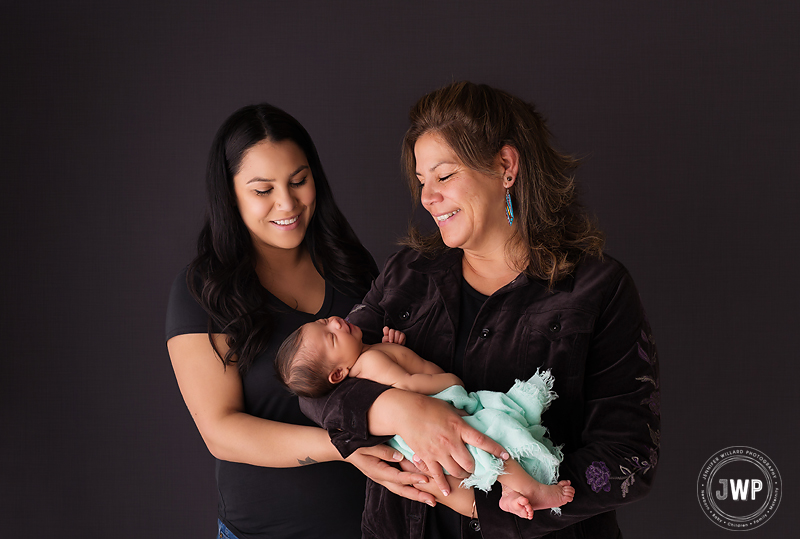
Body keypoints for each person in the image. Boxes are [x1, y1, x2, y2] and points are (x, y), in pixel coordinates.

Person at [300, 81, 660, 539]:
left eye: (444, 175)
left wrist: (479, 501)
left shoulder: (598, 290)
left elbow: (629, 459)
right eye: (422, 180)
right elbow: (312, 383)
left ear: (505, 167)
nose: (427, 197)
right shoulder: (407, 275)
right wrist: (397, 410)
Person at [165, 103, 436, 539]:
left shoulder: (348, 265)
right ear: (230, 193)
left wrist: (395, 351)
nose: (287, 203)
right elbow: (221, 431)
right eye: (262, 190)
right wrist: (343, 447)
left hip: (374, 527)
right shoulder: (202, 291)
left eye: (298, 181)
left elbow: (376, 374)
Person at [274, 316, 576, 520]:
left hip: (424, 422)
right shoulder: (370, 359)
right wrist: (448, 380)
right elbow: (406, 386)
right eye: (331, 336)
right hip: (437, 405)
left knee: (479, 457)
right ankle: (529, 489)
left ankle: (507, 494)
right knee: (493, 441)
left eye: (324, 321)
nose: (336, 322)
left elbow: (392, 373)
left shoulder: (368, 355)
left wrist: (394, 347)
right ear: (337, 374)